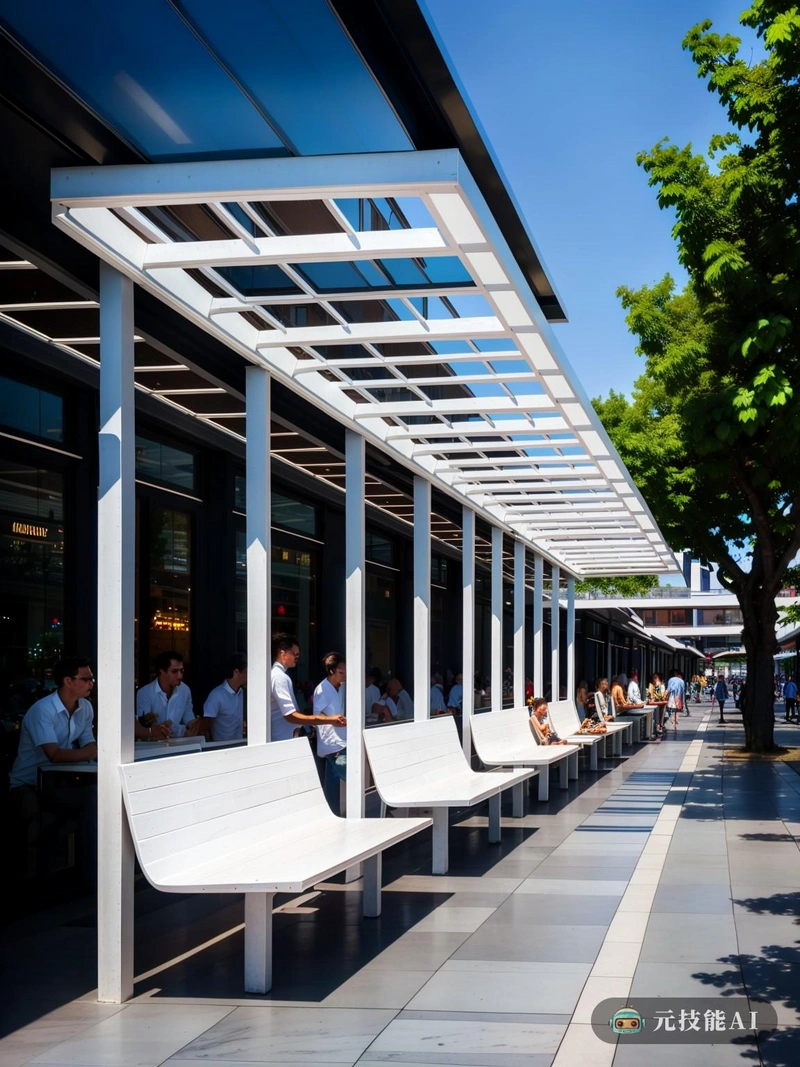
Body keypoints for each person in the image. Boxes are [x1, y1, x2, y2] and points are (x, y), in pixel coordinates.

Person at [9, 657, 98, 883]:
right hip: (30, 783)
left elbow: (88, 741)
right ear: (68, 681)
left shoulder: (85, 707)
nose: (91, 683)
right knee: (93, 798)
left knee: (100, 794)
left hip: (61, 779)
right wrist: (89, 753)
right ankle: (91, 874)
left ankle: (89, 870)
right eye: (86, 679)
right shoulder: (43, 710)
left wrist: (88, 751)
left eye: (92, 678)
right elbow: (54, 754)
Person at [270, 633, 346, 740]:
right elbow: (290, 715)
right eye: (295, 654)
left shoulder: (278, 675)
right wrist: (330, 720)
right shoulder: (279, 677)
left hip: (284, 737)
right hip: (282, 739)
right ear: (282, 653)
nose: (297, 657)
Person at [135, 651, 199, 739]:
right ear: (161, 671)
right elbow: (145, 727)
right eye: (174, 671)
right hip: (154, 745)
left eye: (182, 671)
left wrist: (197, 726)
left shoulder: (185, 690)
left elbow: (189, 719)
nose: (179, 676)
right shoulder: (145, 693)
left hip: (180, 743)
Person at [313, 652, 347, 814]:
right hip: (332, 741)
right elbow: (317, 716)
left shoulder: (342, 687)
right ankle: (333, 812)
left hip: (342, 738)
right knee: (346, 772)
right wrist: (331, 720)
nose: (344, 676)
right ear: (331, 671)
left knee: (333, 778)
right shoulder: (322, 689)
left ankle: (333, 812)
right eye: (341, 672)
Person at [202, 653, 247, 742]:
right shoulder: (216, 695)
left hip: (240, 744)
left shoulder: (243, 693)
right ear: (236, 672)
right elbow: (206, 726)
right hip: (221, 747)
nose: (250, 675)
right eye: (247, 672)